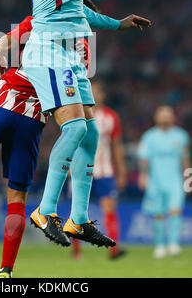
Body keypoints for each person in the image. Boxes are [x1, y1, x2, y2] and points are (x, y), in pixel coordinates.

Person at [0, 0, 149, 277]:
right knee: (17, 196)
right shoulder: (84, 50)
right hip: (34, 119)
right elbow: (73, 99)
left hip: (4, 100)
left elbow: (6, 42)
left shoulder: (43, 19)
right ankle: (6, 270)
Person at [22, 0, 156, 247]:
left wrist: (118, 23)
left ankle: (78, 220)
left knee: (91, 134)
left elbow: (79, 10)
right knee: (75, 127)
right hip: (49, 51)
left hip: (67, 55)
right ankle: (46, 210)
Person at [71, 80, 127, 260]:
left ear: (103, 95)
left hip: (104, 171)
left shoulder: (111, 117)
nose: (93, 95)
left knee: (109, 207)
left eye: (97, 92)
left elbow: (116, 146)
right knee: (78, 211)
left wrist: (122, 171)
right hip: (80, 170)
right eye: (90, 91)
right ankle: (76, 252)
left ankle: (113, 250)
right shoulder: (75, 115)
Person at [137, 105, 190, 258]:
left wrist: (189, 179)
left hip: (175, 180)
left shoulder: (181, 136)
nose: (165, 117)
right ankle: (160, 245)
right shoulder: (148, 137)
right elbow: (143, 159)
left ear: (173, 117)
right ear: (156, 117)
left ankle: (173, 244)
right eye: (162, 114)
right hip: (155, 180)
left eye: (168, 114)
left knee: (175, 211)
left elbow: (185, 159)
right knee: (158, 213)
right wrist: (143, 175)